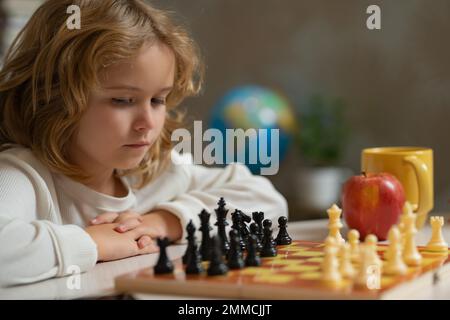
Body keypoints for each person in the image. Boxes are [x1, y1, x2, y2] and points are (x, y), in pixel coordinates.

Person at [0, 0, 287, 287]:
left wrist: (167, 221)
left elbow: (268, 201)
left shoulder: (157, 172)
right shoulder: (23, 175)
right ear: (54, 97)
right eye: (123, 100)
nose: (148, 122)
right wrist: (92, 243)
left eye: (158, 99)